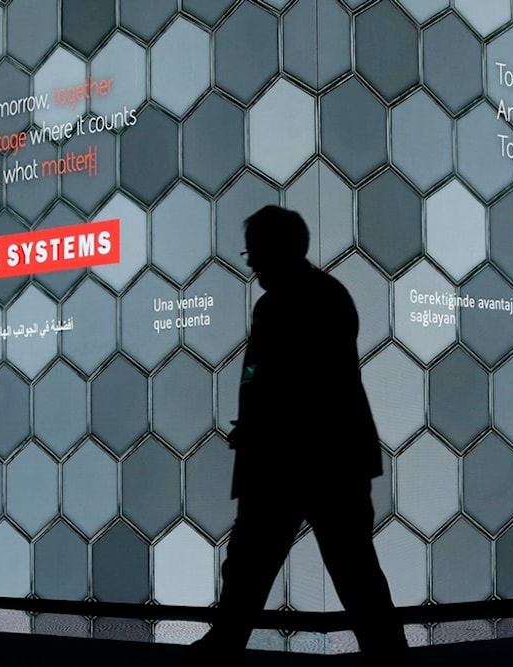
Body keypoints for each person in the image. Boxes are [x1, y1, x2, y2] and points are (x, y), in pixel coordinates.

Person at [186, 206, 410, 666]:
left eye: (256, 251)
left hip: (307, 462)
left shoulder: (309, 300)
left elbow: (307, 385)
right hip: (314, 460)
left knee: (279, 564)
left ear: (278, 249)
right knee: (336, 568)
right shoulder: (311, 297)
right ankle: (388, 655)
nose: (250, 263)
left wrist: (262, 429)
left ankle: (226, 645)